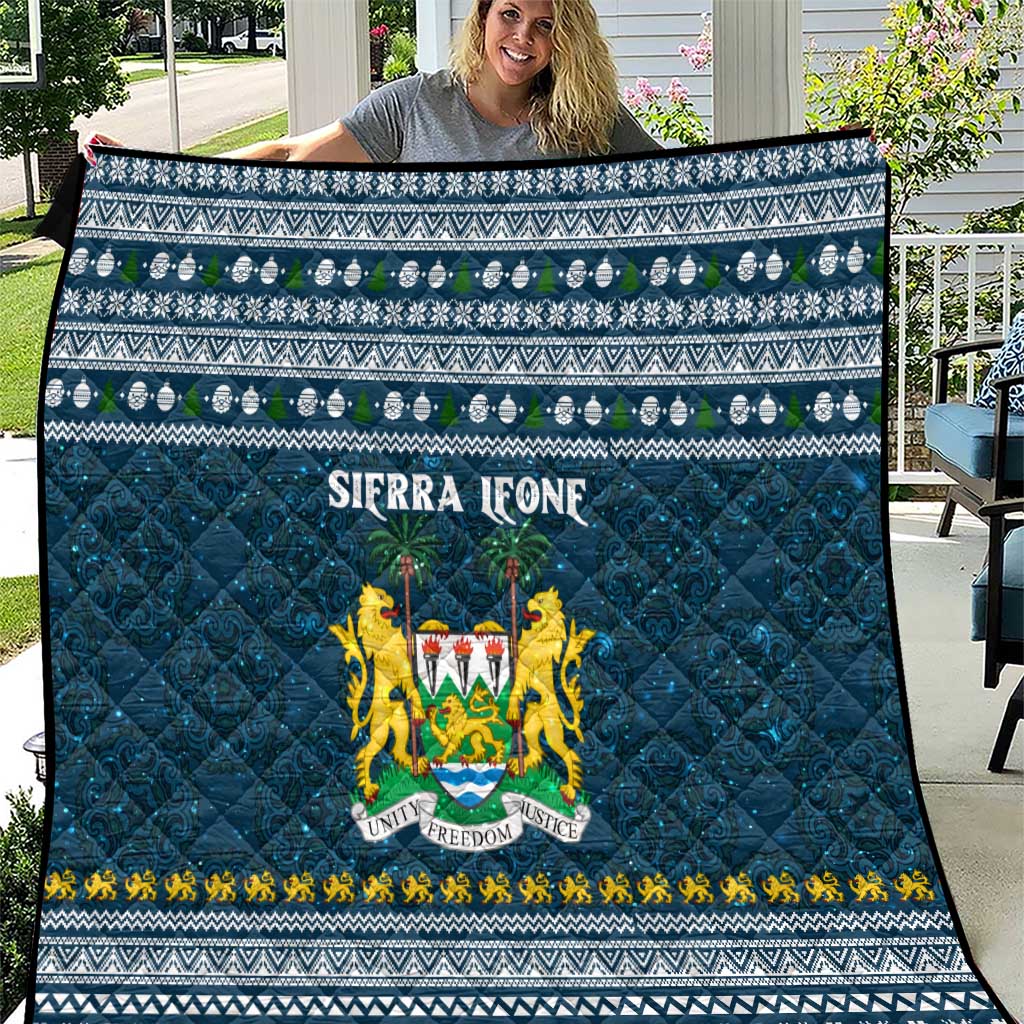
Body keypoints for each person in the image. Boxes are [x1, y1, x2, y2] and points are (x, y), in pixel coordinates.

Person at [88, 0, 660, 164]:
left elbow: (681, 189)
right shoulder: (415, 104)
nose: (522, 37)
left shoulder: (589, 116)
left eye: (544, 25)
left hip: (544, 363)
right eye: (510, 14)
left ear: (564, 39)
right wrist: (153, 167)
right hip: (427, 355)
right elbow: (293, 153)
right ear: (483, 17)